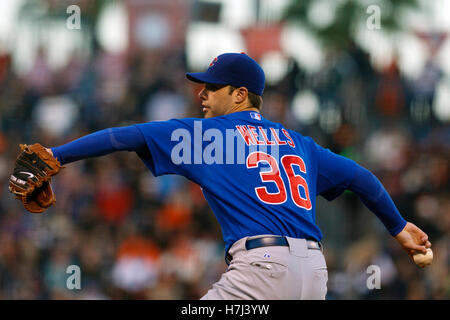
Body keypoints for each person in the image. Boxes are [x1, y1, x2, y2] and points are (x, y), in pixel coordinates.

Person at [32, 53, 432, 299]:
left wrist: (55, 155)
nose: (202, 94)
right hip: (313, 275)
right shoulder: (299, 143)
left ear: (240, 94)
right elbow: (362, 177)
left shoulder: (203, 136)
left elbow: (123, 135)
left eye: (212, 87)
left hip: (261, 271)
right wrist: (398, 227)